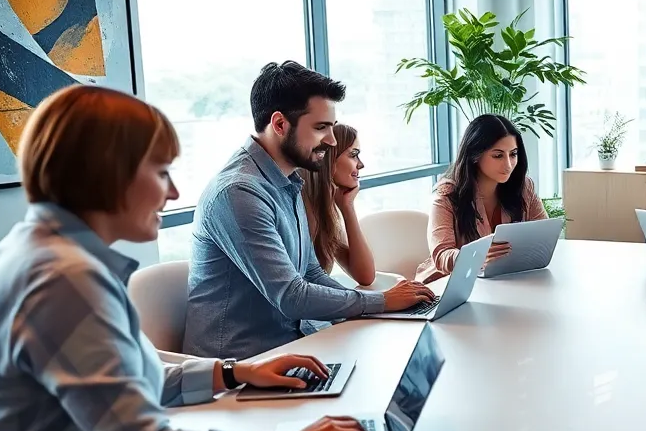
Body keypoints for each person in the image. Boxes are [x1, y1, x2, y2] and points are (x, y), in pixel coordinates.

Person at [0, 85, 376, 431]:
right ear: (109, 174)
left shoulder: (40, 253)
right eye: (161, 173)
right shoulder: (64, 280)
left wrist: (235, 374)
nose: (173, 194)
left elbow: (133, 375)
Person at [185, 62, 434, 361]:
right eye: (320, 128)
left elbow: (311, 272)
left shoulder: (288, 180)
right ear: (279, 124)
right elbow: (291, 297)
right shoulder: (239, 193)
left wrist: (380, 306)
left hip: (294, 348)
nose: (330, 140)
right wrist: (379, 302)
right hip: (244, 369)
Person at [416, 114, 548, 282]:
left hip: (502, 281)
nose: (508, 165)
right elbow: (442, 255)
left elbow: (543, 235)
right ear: (475, 155)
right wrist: (475, 257)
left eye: (513, 154)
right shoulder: (447, 195)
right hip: (447, 286)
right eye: (498, 155)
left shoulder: (523, 187)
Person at [301, 122, 376, 286]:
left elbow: (365, 276)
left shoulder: (324, 209)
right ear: (329, 158)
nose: (360, 164)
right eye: (353, 154)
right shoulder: (300, 207)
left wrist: (347, 208)